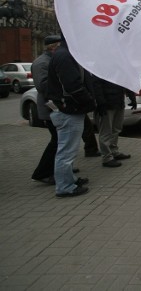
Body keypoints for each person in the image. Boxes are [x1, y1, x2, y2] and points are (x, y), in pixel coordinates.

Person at [47, 35, 95, 198]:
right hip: (68, 110)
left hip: (70, 109)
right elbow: (73, 86)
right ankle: (65, 186)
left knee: (68, 150)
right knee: (66, 152)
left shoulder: (66, 54)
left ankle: (69, 179)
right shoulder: (65, 56)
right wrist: (89, 103)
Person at [30, 35, 62, 185]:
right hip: (49, 108)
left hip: (56, 107)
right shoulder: (41, 63)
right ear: (53, 47)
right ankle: (42, 172)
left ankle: (59, 168)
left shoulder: (52, 60)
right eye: (59, 47)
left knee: (61, 140)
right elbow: (42, 86)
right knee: (56, 141)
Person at [92, 76, 136, 168]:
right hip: (106, 105)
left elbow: (126, 81)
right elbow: (96, 86)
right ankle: (107, 158)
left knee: (116, 129)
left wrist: (132, 97)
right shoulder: (100, 68)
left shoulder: (118, 67)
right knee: (106, 132)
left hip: (118, 102)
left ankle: (114, 151)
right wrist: (100, 103)